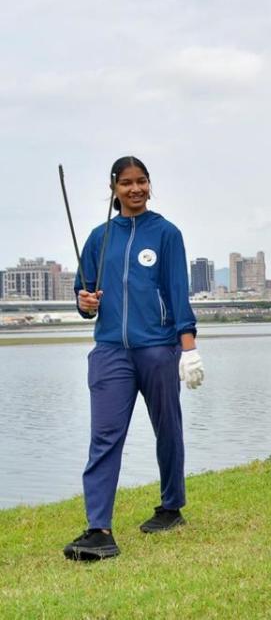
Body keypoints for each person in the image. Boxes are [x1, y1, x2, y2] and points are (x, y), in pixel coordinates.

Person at [63, 156, 204, 561]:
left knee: (167, 427)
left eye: (142, 181)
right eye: (126, 183)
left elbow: (178, 293)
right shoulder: (97, 238)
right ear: (114, 189)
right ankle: (99, 530)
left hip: (158, 348)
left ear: (150, 185)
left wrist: (188, 349)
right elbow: (84, 297)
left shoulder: (166, 234)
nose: (135, 189)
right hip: (110, 350)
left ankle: (171, 506)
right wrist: (85, 302)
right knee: (105, 436)